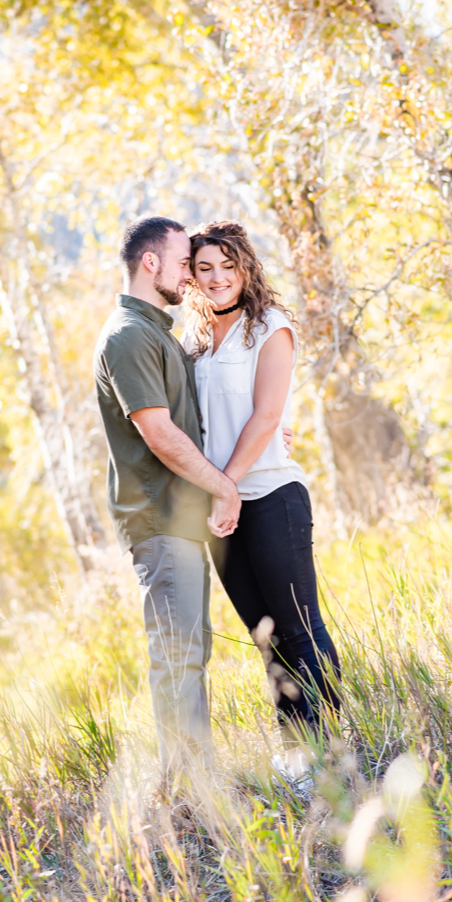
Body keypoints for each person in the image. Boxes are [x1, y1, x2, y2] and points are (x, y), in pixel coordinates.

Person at [180, 220, 342, 780]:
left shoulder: (268, 327)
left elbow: (267, 414)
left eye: (228, 265)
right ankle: (299, 754)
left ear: (246, 267)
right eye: (205, 268)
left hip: (270, 495)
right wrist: (215, 493)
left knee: (299, 628)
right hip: (218, 510)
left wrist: (228, 485)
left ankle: (329, 752)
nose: (218, 277)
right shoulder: (194, 342)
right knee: (265, 637)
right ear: (193, 277)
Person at [93, 216, 240, 778]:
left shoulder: (157, 334)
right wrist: (224, 487)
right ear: (150, 263)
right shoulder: (128, 335)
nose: (191, 276)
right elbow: (159, 433)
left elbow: (188, 421)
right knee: (178, 658)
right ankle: (189, 790)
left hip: (180, 519)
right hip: (158, 518)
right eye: (184, 263)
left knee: (189, 653)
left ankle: (195, 780)